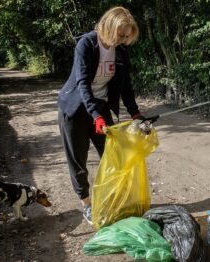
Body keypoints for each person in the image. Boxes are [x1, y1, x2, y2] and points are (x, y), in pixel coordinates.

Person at [57, 6, 144, 224]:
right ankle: (86, 204)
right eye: (120, 34)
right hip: (75, 108)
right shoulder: (87, 44)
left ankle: (112, 198)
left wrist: (136, 114)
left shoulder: (121, 51)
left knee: (113, 155)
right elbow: (82, 83)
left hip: (101, 106)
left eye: (126, 37)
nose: (122, 40)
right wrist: (95, 115)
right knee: (78, 160)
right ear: (109, 26)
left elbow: (126, 87)